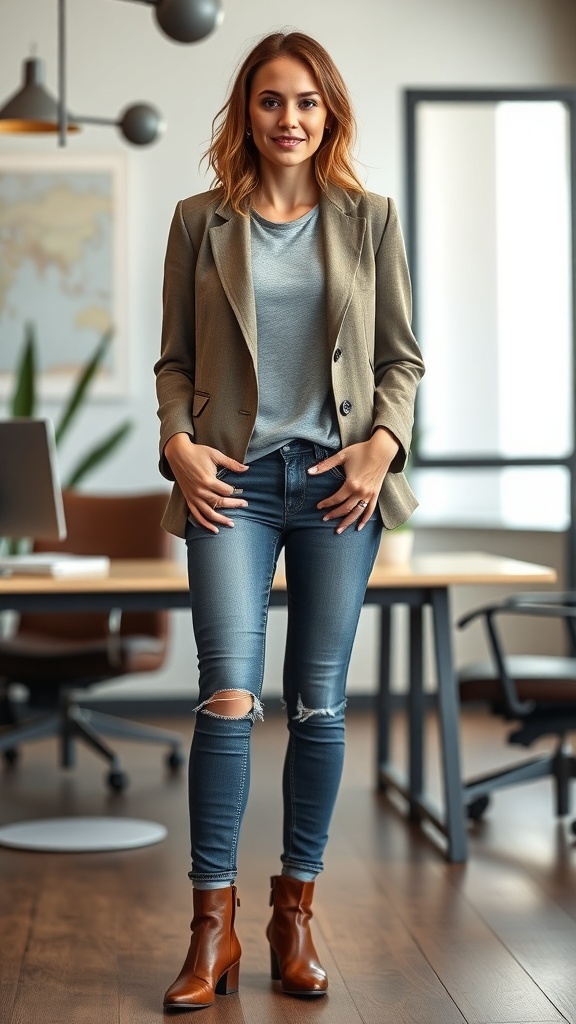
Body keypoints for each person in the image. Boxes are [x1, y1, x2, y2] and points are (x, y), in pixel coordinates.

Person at [155, 29, 424, 1010]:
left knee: (318, 703)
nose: (289, 118)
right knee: (228, 695)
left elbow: (401, 360)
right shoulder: (199, 220)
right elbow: (174, 362)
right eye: (271, 100)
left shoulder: (371, 219)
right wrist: (177, 445)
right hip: (229, 481)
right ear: (247, 111)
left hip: (337, 487)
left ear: (329, 112)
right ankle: (211, 927)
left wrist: (382, 446)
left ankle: (292, 916)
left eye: (307, 101)